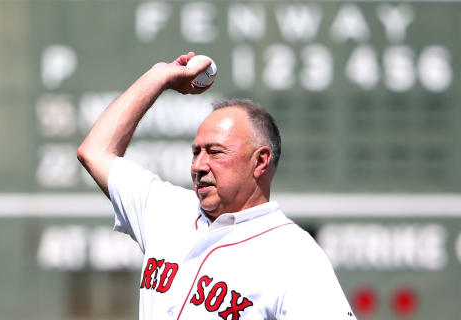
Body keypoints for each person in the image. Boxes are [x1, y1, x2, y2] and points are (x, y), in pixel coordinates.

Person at [78, 52, 356, 320]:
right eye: (196, 151)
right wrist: (159, 76)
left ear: (260, 161)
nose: (199, 165)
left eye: (215, 152)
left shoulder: (294, 255)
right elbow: (94, 151)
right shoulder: (166, 209)